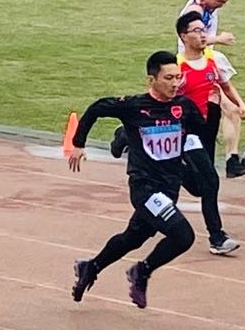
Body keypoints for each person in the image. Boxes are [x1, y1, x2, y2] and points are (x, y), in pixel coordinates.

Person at [67, 52, 209, 309]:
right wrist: (78, 143)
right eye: (168, 78)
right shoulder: (134, 106)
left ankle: (91, 267)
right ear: (151, 80)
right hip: (145, 189)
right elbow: (97, 108)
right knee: (183, 236)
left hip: (169, 188)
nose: (175, 84)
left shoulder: (184, 107)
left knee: (134, 237)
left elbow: (201, 134)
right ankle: (142, 271)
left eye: (178, 77)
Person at [175, 0, 245, 178]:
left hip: (206, 64)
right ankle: (128, 136)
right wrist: (219, 39)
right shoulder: (194, 12)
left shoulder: (210, 9)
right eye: (219, 0)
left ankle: (232, 161)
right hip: (190, 69)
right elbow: (195, 39)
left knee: (232, 111)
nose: (221, 5)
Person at [175, 12, 244, 256]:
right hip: (187, 132)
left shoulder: (213, 61)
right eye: (196, 31)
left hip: (208, 127)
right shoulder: (177, 67)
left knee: (200, 187)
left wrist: (238, 105)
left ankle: (172, 166)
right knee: (211, 181)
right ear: (183, 36)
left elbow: (223, 86)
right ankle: (217, 237)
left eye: (204, 30)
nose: (203, 35)